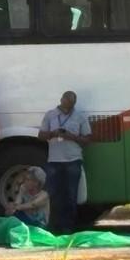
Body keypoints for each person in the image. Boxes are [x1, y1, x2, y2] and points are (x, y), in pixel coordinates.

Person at [39, 91, 91, 234]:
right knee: (52, 194)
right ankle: (52, 225)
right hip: (54, 160)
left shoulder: (79, 117)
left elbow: (87, 140)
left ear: (74, 103)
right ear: (61, 99)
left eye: (71, 102)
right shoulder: (50, 115)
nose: (68, 104)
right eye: (66, 100)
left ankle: (68, 227)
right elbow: (41, 136)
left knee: (71, 195)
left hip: (73, 160)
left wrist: (72, 137)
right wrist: (53, 133)